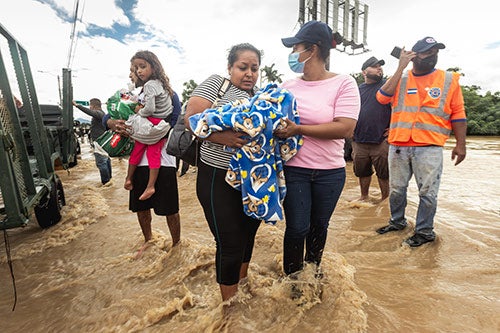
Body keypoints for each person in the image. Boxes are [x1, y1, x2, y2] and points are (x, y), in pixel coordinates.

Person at [276, 21, 360, 277]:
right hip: (295, 170)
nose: (293, 53)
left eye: (296, 47)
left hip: (330, 172)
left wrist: (298, 130)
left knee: (319, 227)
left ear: (312, 50)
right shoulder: (286, 87)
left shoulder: (344, 84)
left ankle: (313, 273)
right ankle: (292, 281)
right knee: (297, 228)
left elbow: (345, 128)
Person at [184, 43, 262, 302]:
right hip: (216, 175)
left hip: (251, 179)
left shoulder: (261, 96)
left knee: (248, 234)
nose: (249, 73)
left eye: (254, 68)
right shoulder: (218, 85)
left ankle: (241, 285)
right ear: (230, 68)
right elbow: (191, 118)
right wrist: (222, 137)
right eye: (242, 67)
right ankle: (229, 309)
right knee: (229, 241)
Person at [375, 37, 467, 247]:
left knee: (428, 193)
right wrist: (400, 66)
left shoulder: (449, 79)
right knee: (397, 189)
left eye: (435, 51)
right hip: (399, 146)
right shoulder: (401, 77)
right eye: (427, 51)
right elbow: (381, 97)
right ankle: (397, 222)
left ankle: (424, 232)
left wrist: (461, 144)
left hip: (430, 147)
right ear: (414, 55)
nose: (432, 55)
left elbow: (458, 114)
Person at [105, 62, 181, 256]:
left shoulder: (169, 94)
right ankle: (148, 241)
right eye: (132, 69)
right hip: (138, 162)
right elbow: (109, 113)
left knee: (170, 209)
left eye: (139, 67)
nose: (134, 73)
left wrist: (148, 131)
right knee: (141, 207)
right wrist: (113, 123)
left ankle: (177, 246)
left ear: (153, 68)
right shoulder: (130, 96)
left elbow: (176, 120)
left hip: (164, 160)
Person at [124, 50, 174, 201]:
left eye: (142, 66)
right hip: (159, 125)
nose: (138, 71)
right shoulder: (162, 85)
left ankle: (128, 178)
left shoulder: (150, 85)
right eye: (136, 68)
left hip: (153, 123)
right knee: (153, 154)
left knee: (138, 150)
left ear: (154, 67)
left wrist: (139, 112)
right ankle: (150, 186)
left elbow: (150, 109)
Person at [351, 56, 392, 201]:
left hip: (381, 140)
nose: (379, 68)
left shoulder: (387, 86)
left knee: (384, 173)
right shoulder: (357, 90)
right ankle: (364, 197)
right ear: (364, 72)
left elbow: (399, 109)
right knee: (362, 172)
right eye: (374, 66)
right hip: (359, 139)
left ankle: (385, 200)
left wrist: (393, 129)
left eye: (380, 66)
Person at [73, 98, 112, 185]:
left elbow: (90, 112)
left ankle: (106, 182)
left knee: (101, 162)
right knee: (106, 160)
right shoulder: (103, 114)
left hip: (99, 142)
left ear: (93, 106)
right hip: (103, 141)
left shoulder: (99, 113)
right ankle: (109, 181)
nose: (89, 107)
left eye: (90, 106)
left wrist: (77, 105)